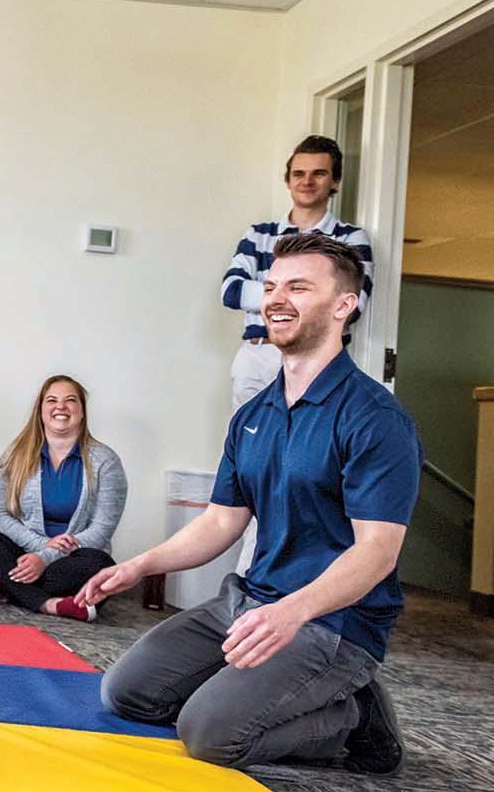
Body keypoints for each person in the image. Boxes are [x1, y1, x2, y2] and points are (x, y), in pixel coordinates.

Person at [82, 233, 418, 775]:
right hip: (250, 602)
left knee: (209, 734)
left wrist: (293, 611)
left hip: (331, 623)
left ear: (343, 305)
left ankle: (354, 717)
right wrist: (138, 565)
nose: (277, 299)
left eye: (299, 287)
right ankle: (261, 691)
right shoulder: (253, 414)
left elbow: (377, 552)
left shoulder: (375, 418)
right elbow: (222, 521)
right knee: (126, 693)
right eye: (271, 286)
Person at [220, 135, 374, 571]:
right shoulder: (260, 233)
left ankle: (285, 581)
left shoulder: (350, 238)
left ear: (335, 182)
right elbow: (230, 292)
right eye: (299, 173)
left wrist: (268, 294)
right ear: (288, 180)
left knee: (300, 476)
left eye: (319, 173)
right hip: (257, 359)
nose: (307, 182)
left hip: (315, 367)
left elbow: (357, 302)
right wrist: (300, 297)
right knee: (251, 475)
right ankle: (246, 580)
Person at [0, 376, 126, 622]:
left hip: (71, 561)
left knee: (101, 564)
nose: (61, 407)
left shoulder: (106, 462)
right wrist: (39, 548)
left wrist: (46, 558)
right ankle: (48, 603)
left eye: (70, 400)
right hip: (24, 555)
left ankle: (4, 589)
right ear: (41, 409)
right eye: (52, 400)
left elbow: (101, 531)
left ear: (82, 411)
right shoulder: (16, 454)